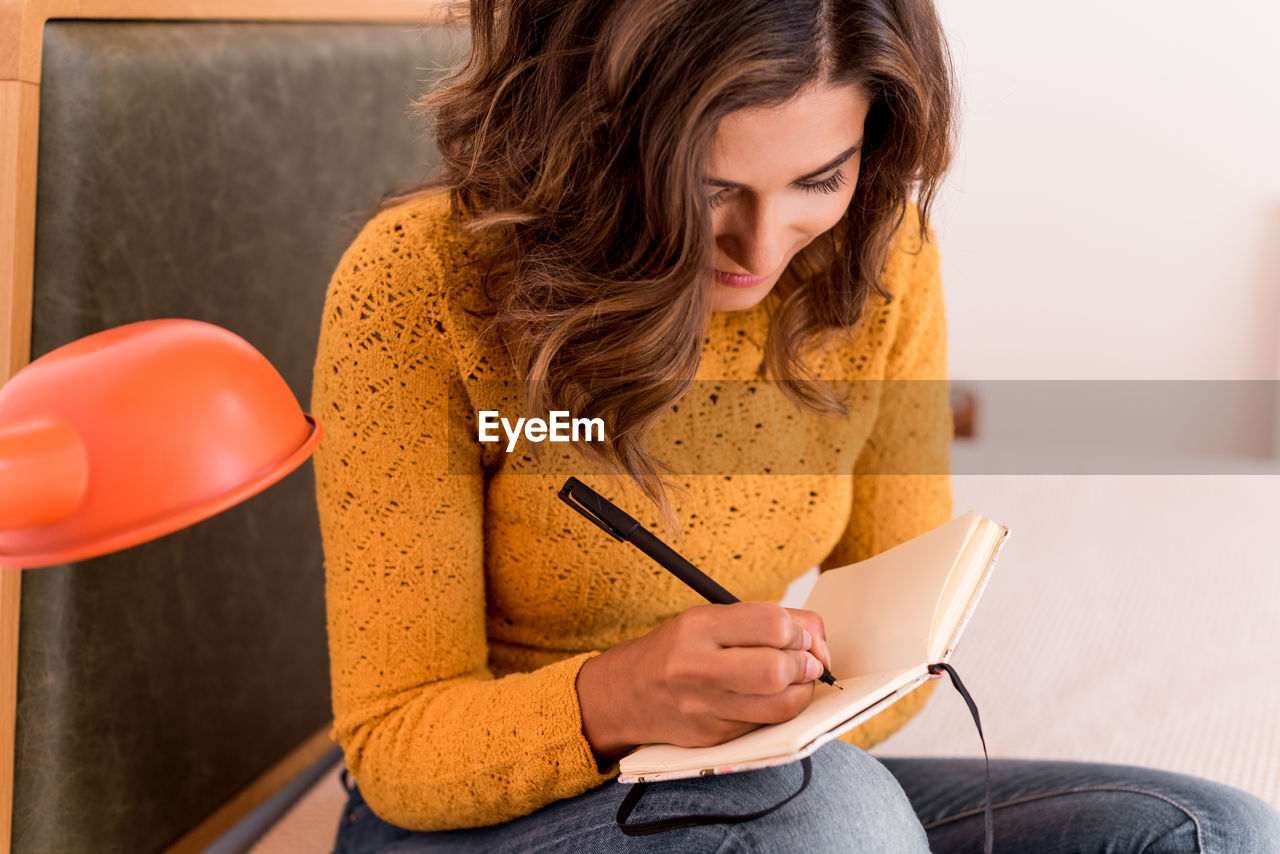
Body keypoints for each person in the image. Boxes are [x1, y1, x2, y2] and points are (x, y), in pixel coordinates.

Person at [310, 0, 1280, 851]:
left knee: (1212, 832)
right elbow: (395, 745)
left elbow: (898, 654)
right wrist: (619, 697)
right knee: (833, 819)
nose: (759, 248)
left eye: (819, 178)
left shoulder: (881, 260)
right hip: (467, 824)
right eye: (707, 188)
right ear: (590, 131)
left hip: (767, 793)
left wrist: (775, 718)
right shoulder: (418, 285)